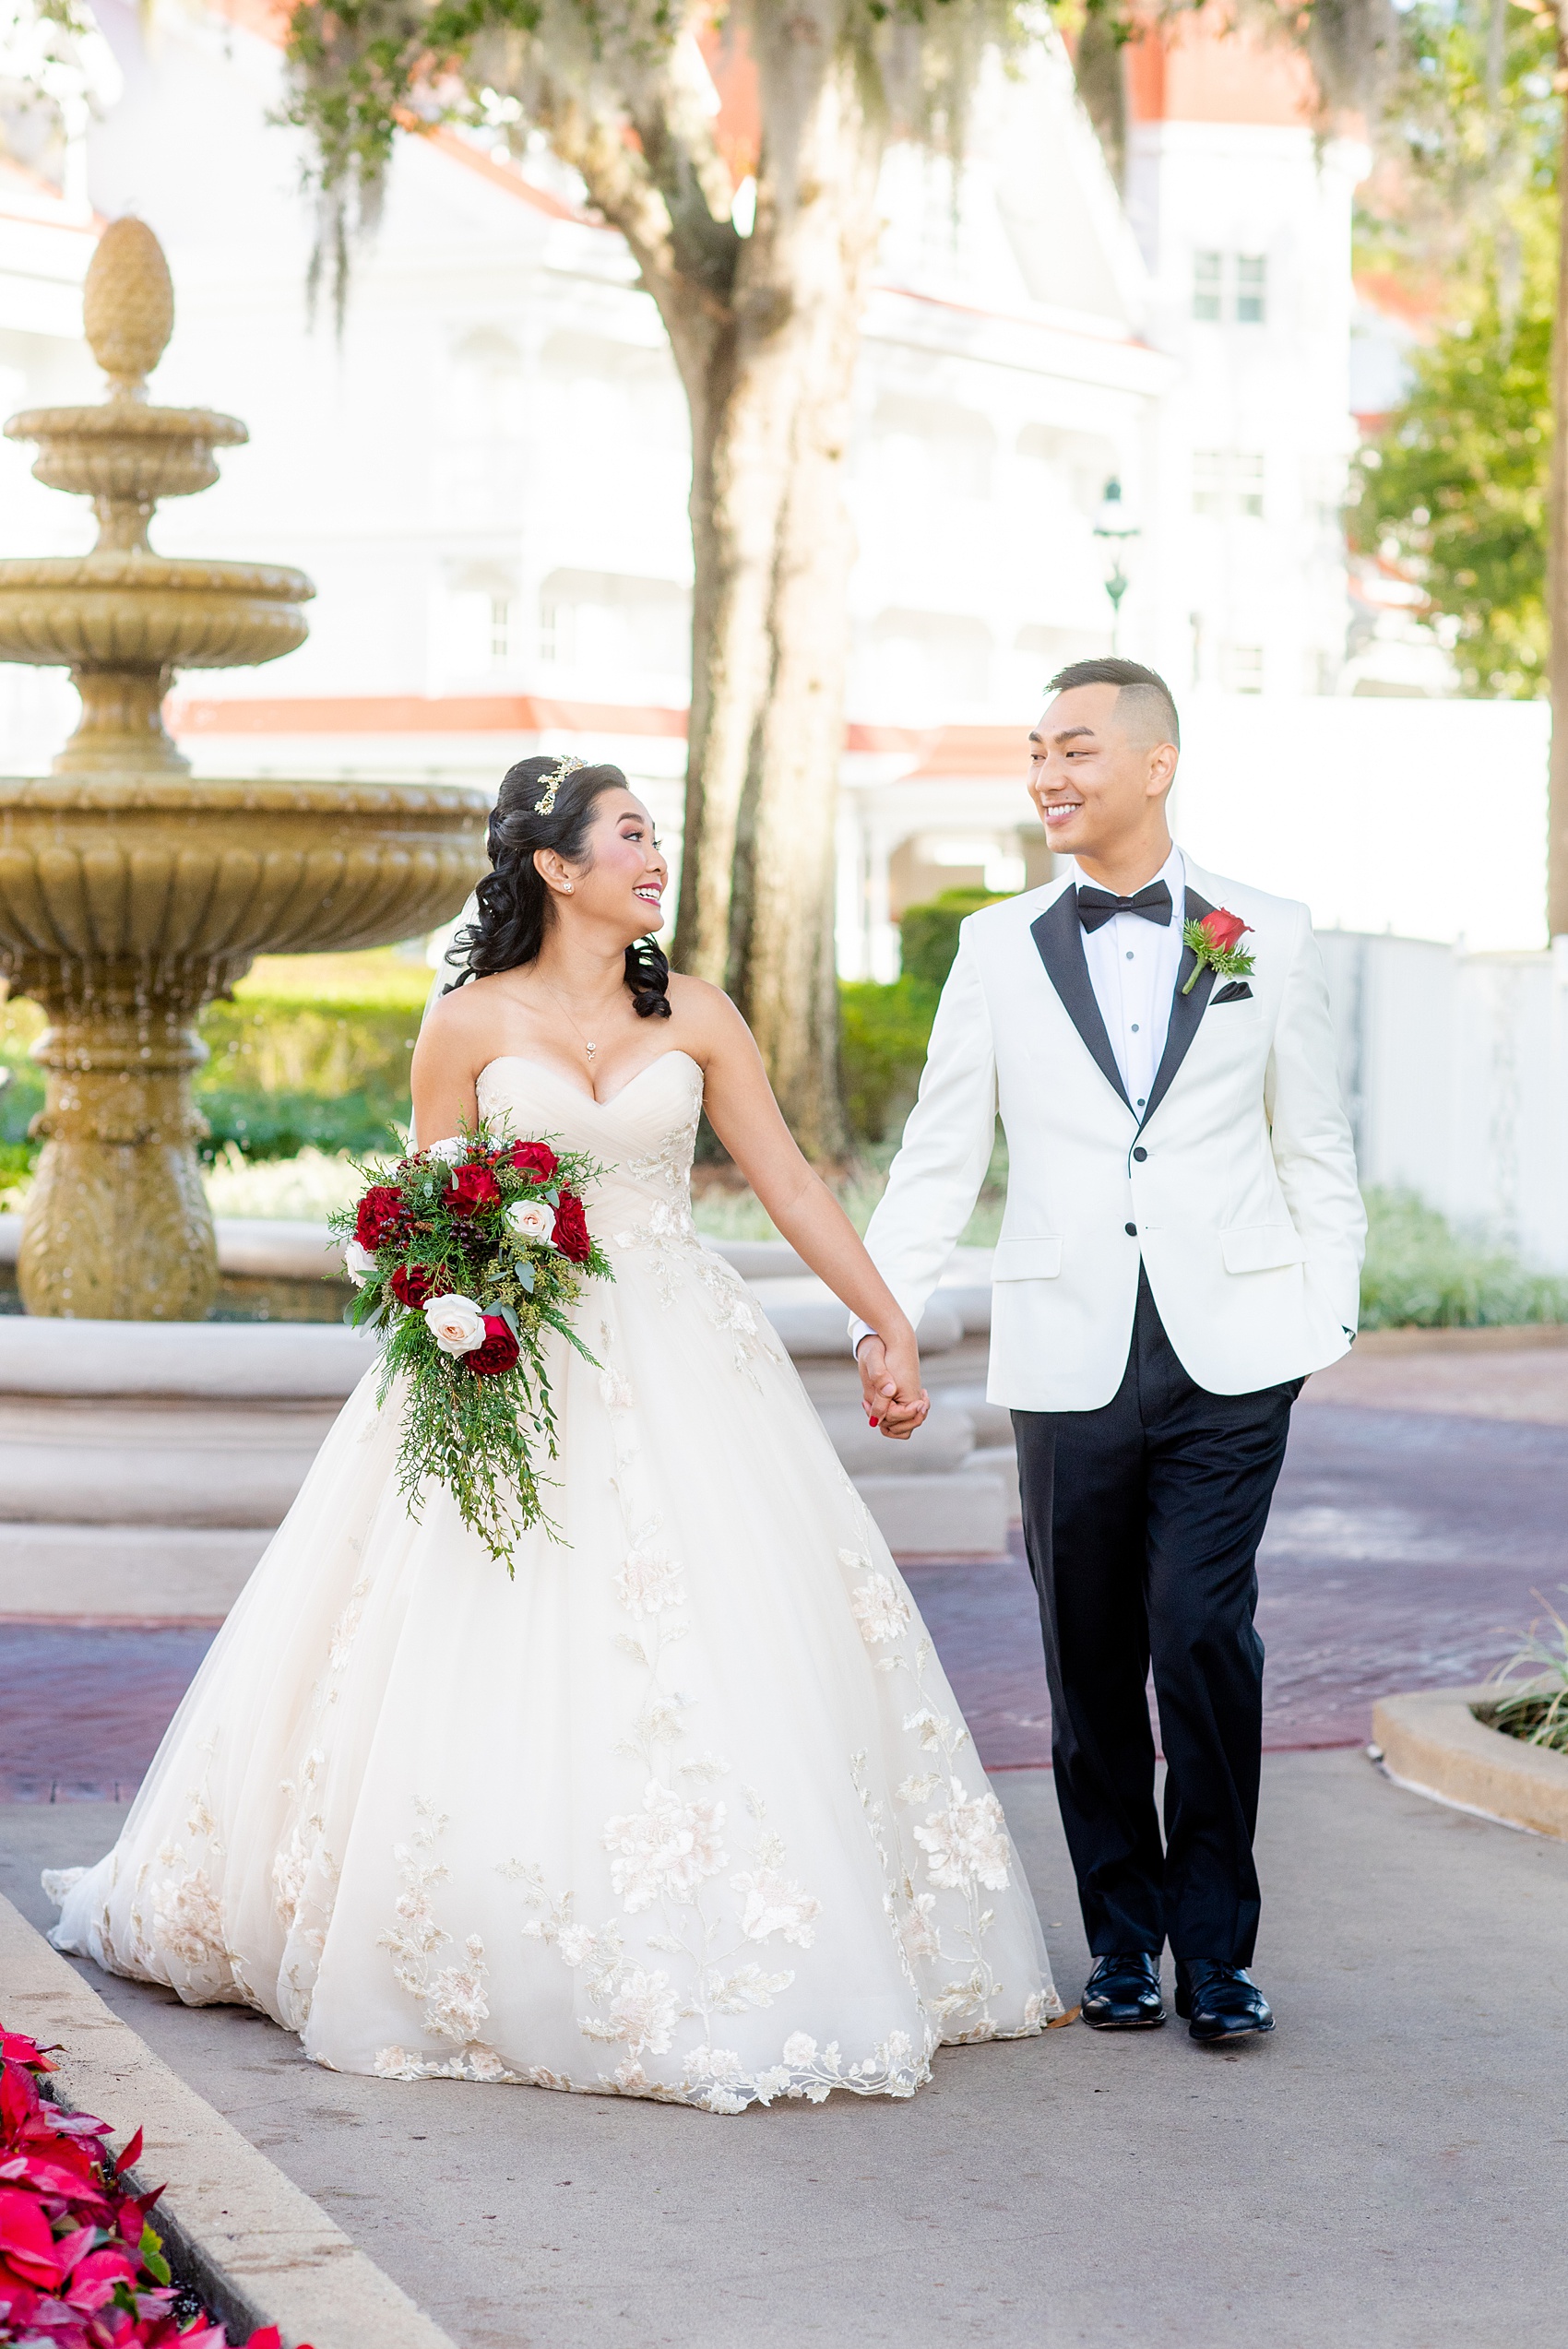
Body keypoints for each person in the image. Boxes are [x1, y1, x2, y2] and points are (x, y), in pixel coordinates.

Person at [48, 753, 1060, 2111]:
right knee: (478, 1636)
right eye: (632, 837)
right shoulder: (468, 1021)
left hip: (685, 1357)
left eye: (658, 839)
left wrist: (887, 1322)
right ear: (556, 867)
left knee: (720, 1638)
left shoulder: (698, 1012)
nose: (657, 859)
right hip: (510, 1364)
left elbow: (797, 1188)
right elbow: (420, 1210)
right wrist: (450, 1309)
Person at [854, 658, 1364, 2045]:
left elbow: (1313, 1142)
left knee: (1203, 1635)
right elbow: (940, 1153)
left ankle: (1222, 1950)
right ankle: (1120, 1941)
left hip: (1235, 1345)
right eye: (1034, 753)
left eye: (1075, 748)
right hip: (1066, 1342)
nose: (1048, 775)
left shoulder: (1276, 934)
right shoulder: (995, 944)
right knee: (1087, 1659)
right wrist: (886, 1315)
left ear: (1156, 762)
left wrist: (1326, 1311)